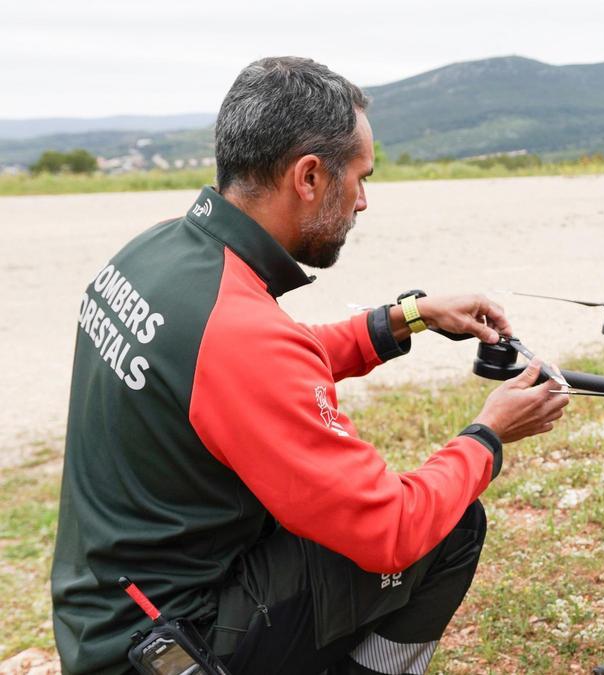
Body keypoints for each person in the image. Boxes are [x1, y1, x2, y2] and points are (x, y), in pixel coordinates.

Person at [51, 56, 568, 675]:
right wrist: (488, 434)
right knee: (450, 524)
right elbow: (391, 531)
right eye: (360, 177)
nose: (363, 201)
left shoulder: (158, 251)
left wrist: (408, 316)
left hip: (107, 615)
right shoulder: (243, 338)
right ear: (310, 177)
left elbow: (252, 371)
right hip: (178, 644)